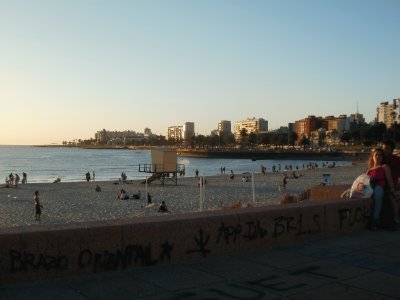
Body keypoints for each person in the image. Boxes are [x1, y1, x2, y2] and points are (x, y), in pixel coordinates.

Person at [366, 148, 396, 230]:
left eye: (380, 155)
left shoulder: (384, 167)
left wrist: (392, 189)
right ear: (373, 157)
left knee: (377, 196)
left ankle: (375, 220)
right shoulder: (369, 170)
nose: (378, 156)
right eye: (376, 155)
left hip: (380, 187)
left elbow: (389, 179)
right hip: (370, 188)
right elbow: (364, 181)